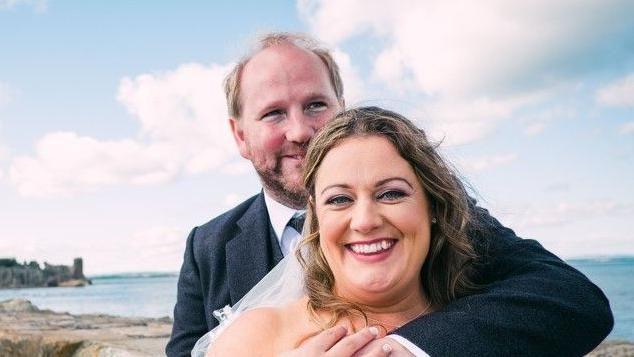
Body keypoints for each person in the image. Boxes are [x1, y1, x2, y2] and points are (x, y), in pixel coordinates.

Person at [166, 33, 613, 356]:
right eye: (273, 113)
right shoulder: (208, 245)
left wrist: (408, 347)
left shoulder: (440, 216)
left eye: (316, 105)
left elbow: (571, 298)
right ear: (240, 135)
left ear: (342, 108)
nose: (300, 131)